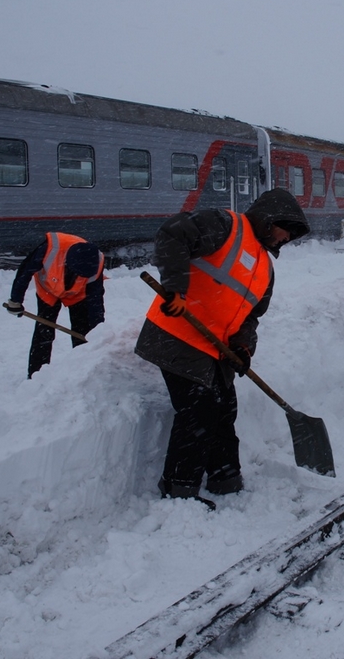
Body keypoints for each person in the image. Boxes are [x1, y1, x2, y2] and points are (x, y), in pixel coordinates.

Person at [134, 188, 310, 503]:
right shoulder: (225, 225)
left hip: (213, 349)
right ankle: (179, 488)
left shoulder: (265, 268)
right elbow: (172, 235)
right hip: (177, 336)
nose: (287, 238)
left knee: (225, 409)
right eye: (287, 230)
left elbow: (250, 318)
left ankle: (224, 479)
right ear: (271, 219)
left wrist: (243, 348)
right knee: (199, 409)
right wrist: (175, 287)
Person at [4, 232, 105, 378]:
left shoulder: (97, 262)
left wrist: (98, 330)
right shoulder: (50, 249)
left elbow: (96, 298)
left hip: (77, 294)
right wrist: (15, 300)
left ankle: (83, 374)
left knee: (83, 333)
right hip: (48, 290)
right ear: (68, 264)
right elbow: (25, 272)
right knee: (44, 332)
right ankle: (36, 375)